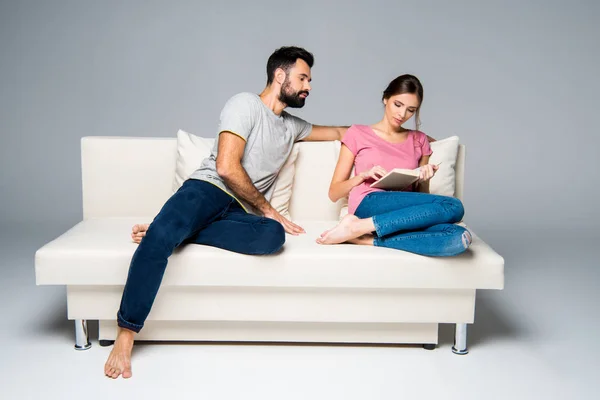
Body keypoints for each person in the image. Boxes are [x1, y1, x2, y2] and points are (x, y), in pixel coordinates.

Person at [104, 46, 349, 379]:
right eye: (303, 77)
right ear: (280, 75)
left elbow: (339, 132)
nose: (308, 86)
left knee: (272, 235)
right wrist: (268, 208)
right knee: (163, 237)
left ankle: (176, 229)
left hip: (238, 210)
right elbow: (226, 167)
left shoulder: (292, 127)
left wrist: (409, 136)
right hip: (207, 190)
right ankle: (126, 333)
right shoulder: (244, 104)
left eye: (309, 80)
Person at [316, 74, 472, 256]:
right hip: (369, 201)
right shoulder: (357, 133)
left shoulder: (419, 139)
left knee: (458, 236)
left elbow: (421, 199)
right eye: (398, 105)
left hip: (401, 214)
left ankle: (365, 238)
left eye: (410, 110)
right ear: (385, 98)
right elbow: (334, 193)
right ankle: (360, 224)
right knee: (454, 206)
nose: (402, 114)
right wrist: (362, 176)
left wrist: (424, 176)